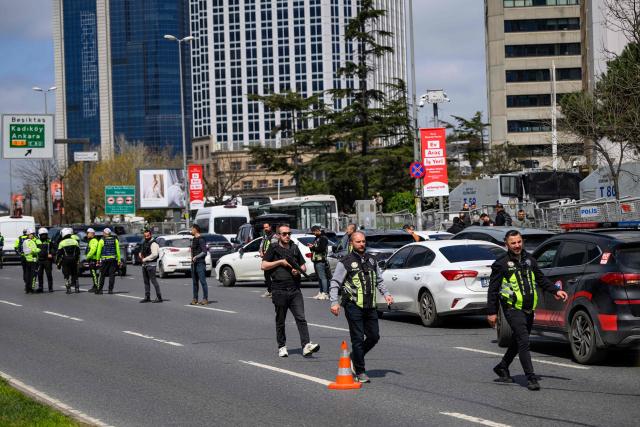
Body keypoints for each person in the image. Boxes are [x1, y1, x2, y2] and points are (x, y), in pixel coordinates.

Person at [487, 230, 568, 391]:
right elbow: (493, 290)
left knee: (518, 340)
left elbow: (540, 278)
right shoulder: (501, 263)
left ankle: (503, 366)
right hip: (512, 308)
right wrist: (492, 312)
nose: (517, 246)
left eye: (519, 242)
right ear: (507, 245)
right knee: (524, 341)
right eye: (513, 243)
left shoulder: (529, 259)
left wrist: (555, 290)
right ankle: (530, 378)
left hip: (529, 308)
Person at [329, 231, 394, 383]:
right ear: (352, 243)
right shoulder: (345, 261)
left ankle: (355, 356)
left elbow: (378, 279)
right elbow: (335, 282)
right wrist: (334, 302)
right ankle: (360, 371)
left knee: (374, 336)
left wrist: (386, 294)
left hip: (370, 305)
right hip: (353, 305)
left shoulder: (372, 260)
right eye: (358, 242)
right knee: (357, 339)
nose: (362, 244)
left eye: (363, 241)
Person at [262, 224, 320, 358]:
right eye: (284, 234)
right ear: (278, 235)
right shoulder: (274, 248)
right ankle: (282, 346)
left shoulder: (294, 247)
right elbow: (263, 265)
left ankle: (306, 345)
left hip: (294, 289)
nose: (287, 236)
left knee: (301, 318)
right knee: (280, 320)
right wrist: (280, 262)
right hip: (279, 289)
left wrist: (298, 270)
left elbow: (303, 266)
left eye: (289, 233)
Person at [139, 229, 163, 303]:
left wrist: (145, 259)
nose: (146, 237)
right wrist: (140, 254)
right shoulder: (144, 242)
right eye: (145, 236)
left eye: (148, 235)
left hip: (151, 265)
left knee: (153, 281)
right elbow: (143, 251)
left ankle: (159, 297)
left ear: (151, 235)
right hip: (145, 265)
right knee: (146, 282)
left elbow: (155, 254)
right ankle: (147, 297)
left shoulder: (153, 243)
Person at [96, 228, 121, 295]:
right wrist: (119, 260)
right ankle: (110, 290)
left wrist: (98, 260)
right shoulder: (115, 240)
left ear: (105, 233)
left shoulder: (102, 240)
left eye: (103, 232)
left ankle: (100, 290)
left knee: (102, 275)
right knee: (112, 275)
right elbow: (118, 251)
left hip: (104, 260)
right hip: (113, 260)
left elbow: (98, 251)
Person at [308, 225, 330, 300]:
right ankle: (321, 292)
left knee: (323, 277)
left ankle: (325, 293)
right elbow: (315, 248)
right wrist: (312, 247)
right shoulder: (317, 238)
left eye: (314, 231)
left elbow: (321, 248)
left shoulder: (323, 238)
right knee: (319, 277)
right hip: (315, 259)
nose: (313, 233)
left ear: (317, 230)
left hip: (321, 259)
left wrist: (313, 247)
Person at [56, 228, 80, 294]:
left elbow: (59, 254)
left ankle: (68, 289)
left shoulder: (61, 243)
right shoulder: (75, 241)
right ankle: (77, 287)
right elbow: (78, 252)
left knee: (66, 274)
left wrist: (58, 263)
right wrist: (77, 260)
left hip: (65, 260)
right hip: (74, 259)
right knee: (74, 273)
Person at [190, 224, 209, 305]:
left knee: (202, 282)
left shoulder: (201, 239)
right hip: (194, 264)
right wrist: (192, 259)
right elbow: (193, 250)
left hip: (200, 263)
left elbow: (204, 252)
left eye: (192, 229)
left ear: (195, 230)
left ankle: (205, 299)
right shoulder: (194, 239)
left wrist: (196, 257)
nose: (191, 231)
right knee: (195, 282)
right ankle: (195, 299)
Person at [259, 223, 276, 298]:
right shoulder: (265, 236)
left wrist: (268, 252)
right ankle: (270, 290)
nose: (265, 229)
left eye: (267, 227)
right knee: (267, 276)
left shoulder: (274, 236)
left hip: (272, 259)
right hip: (265, 259)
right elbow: (261, 246)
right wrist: (261, 251)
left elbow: (274, 247)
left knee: (273, 275)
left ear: (270, 227)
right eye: (264, 227)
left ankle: (274, 292)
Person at [36, 227, 54, 293]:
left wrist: (51, 254)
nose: (44, 236)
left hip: (47, 260)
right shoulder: (36, 241)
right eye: (42, 235)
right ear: (39, 235)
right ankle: (40, 287)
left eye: (45, 234)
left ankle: (50, 287)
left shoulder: (49, 241)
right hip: (39, 260)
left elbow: (54, 248)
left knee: (49, 274)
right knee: (40, 274)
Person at [22, 229, 40, 294]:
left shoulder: (25, 241)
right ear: (28, 234)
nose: (32, 235)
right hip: (32, 260)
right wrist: (38, 249)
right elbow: (33, 250)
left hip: (28, 260)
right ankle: (31, 288)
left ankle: (27, 288)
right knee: (33, 275)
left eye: (33, 234)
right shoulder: (30, 241)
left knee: (28, 275)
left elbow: (26, 251)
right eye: (31, 234)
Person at [85, 228, 100, 292]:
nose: (87, 234)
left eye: (88, 233)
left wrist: (87, 257)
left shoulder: (94, 240)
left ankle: (96, 287)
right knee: (93, 274)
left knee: (94, 274)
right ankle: (94, 285)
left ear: (91, 233)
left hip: (93, 259)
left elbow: (93, 250)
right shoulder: (91, 240)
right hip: (92, 259)